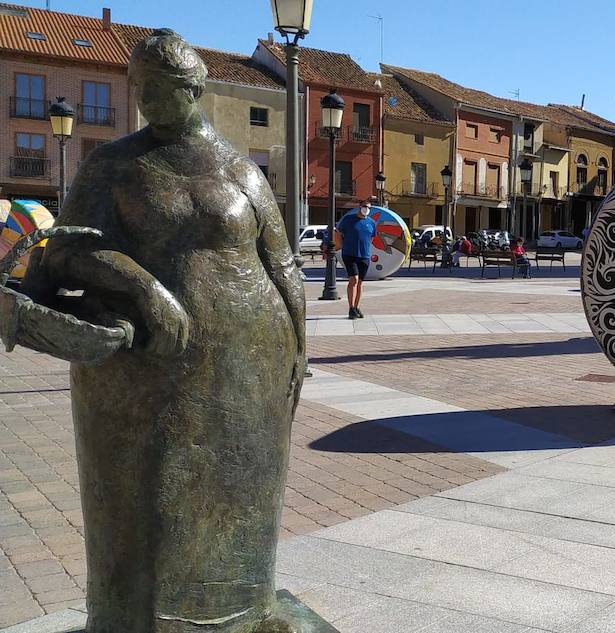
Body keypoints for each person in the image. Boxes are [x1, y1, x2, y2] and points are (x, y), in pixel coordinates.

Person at [21, 29, 307, 631]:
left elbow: (280, 264)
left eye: (159, 88)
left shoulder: (240, 169)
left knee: (244, 487)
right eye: (138, 86)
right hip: (147, 366)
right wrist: (142, 287)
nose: (145, 98)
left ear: (193, 89)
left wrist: (296, 355)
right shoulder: (114, 163)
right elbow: (62, 255)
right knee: (148, 500)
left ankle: (246, 612)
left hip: (247, 365)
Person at [336, 199, 377, 319]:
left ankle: (356, 306)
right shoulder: (348, 220)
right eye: (364, 206)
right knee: (353, 279)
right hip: (349, 254)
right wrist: (340, 245)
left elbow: (372, 238)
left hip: (364, 256)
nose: (366, 209)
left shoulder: (371, 223)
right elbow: (338, 233)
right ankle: (351, 308)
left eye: (369, 207)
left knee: (360, 282)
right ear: (359, 207)